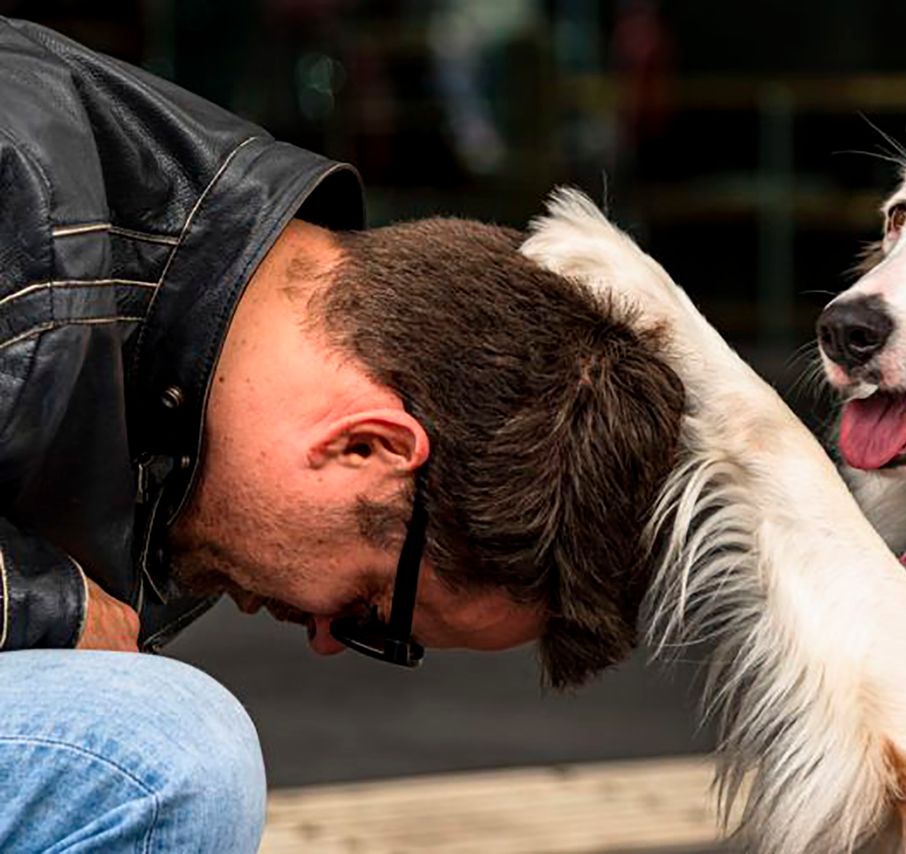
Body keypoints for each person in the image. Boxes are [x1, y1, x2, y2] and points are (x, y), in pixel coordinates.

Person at [0, 17, 684, 852]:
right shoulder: (23, 179)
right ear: (369, 447)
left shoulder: (180, 376)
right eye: (370, 615)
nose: (325, 639)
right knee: (155, 757)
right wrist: (42, 605)